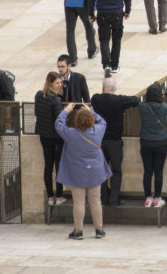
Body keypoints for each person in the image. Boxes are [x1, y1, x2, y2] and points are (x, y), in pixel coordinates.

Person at [55, 103, 111, 240]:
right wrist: (91, 111)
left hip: (77, 171)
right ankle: (99, 230)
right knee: (95, 200)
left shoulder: (71, 134)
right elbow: (103, 121)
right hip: (95, 171)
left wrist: (66, 111)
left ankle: (78, 231)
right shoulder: (98, 131)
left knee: (78, 202)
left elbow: (58, 124)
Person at [90, 78, 139, 207]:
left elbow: (92, 100)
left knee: (102, 170)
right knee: (116, 170)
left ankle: (103, 198)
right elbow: (135, 100)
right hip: (115, 141)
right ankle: (113, 199)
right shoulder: (119, 100)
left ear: (103, 88)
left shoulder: (96, 99)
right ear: (115, 89)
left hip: (99, 140)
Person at [137, 85, 167, 208]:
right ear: (159, 95)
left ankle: (148, 199)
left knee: (147, 172)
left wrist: (155, 95)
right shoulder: (163, 107)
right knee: (158, 172)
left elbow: (142, 101)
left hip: (146, 143)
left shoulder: (142, 106)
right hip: (161, 143)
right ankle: (157, 199)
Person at [87, 0, 131, 74]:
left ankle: (106, 64)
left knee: (104, 39)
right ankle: (115, 66)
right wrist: (127, 11)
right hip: (117, 14)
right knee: (116, 40)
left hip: (103, 14)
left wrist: (91, 13)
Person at [34, 72, 65, 206]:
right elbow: (60, 119)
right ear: (50, 83)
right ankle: (59, 195)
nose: (60, 85)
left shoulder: (39, 95)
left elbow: (37, 112)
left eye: (60, 82)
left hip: (43, 135)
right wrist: (66, 111)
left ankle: (50, 196)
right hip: (55, 137)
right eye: (57, 83)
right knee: (58, 166)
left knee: (48, 166)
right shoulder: (55, 100)